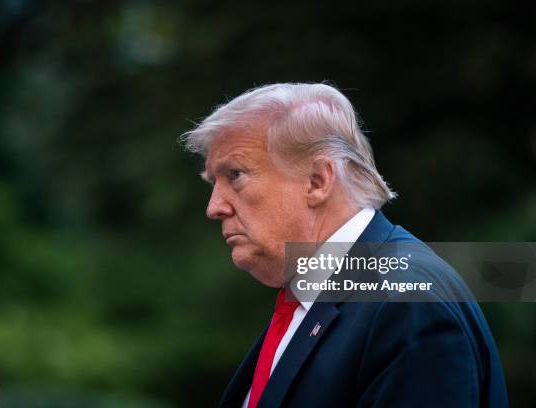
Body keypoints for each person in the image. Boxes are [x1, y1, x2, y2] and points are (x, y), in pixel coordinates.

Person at [180, 83, 508, 407]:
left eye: (235, 175)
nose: (214, 206)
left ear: (318, 180)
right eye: (214, 182)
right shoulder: (330, 296)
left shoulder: (406, 302)